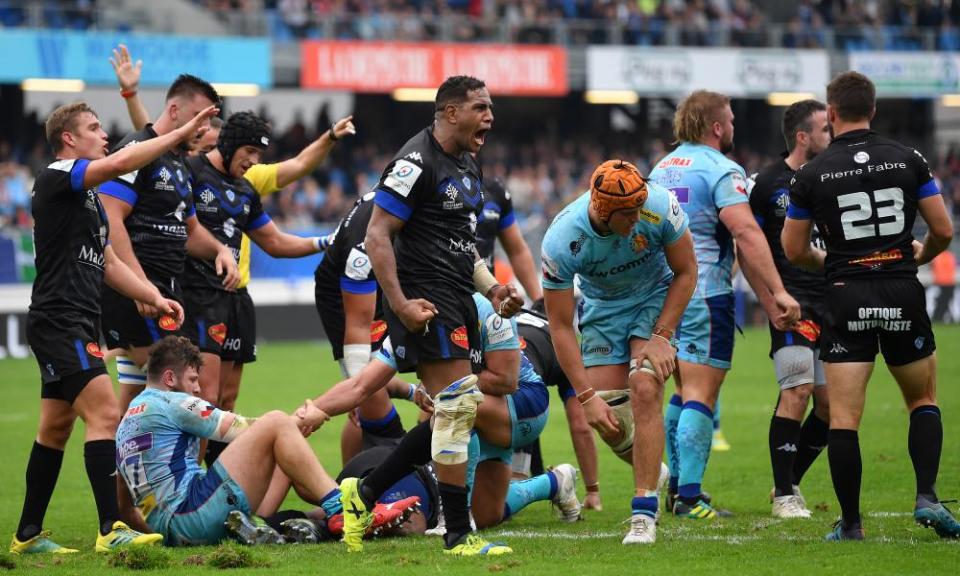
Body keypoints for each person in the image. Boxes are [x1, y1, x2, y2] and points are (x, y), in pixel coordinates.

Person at [110, 44, 356, 427]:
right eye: (200, 129)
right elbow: (151, 146)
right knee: (192, 397)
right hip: (189, 292)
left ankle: (205, 470)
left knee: (222, 397)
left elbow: (284, 208)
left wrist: (329, 140)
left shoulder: (249, 183)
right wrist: (131, 96)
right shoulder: (186, 167)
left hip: (235, 297)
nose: (202, 134)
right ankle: (206, 465)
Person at [11, 101, 212, 554]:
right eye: (94, 127)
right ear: (69, 138)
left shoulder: (89, 201)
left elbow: (110, 263)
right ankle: (110, 528)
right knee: (105, 414)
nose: (104, 134)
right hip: (60, 319)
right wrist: (179, 136)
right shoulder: (57, 175)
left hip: (78, 317)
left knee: (55, 429)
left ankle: (26, 536)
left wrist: (153, 295)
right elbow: (122, 160)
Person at [339, 75, 522, 556]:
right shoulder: (413, 162)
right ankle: (459, 534)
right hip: (425, 300)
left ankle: (364, 493)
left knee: (450, 412)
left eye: (490, 107)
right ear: (449, 112)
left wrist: (495, 288)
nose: (490, 117)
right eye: (480, 107)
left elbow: (466, 250)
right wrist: (399, 304)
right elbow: (377, 236)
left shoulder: (467, 165)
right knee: (460, 406)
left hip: (458, 296)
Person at [783, 71, 959, 541]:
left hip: (847, 292)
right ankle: (927, 496)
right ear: (874, 111)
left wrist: (831, 262)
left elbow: (794, 248)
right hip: (901, 288)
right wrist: (916, 255)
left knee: (843, 418)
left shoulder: (811, 174)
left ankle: (853, 524)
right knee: (922, 399)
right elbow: (942, 229)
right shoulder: (908, 159)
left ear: (832, 114)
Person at [648, 90, 801, 519]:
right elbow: (746, 234)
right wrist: (778, 292)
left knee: (681, 390)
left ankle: (679, 488)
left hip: (665, 296)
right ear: (716, 127)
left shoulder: (663, 167)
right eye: (730, 119)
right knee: (702, 393)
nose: (733, 126)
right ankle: (691, 497)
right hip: (705, 293)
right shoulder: (721, 169)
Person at [541, 159, 698, 544]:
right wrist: (586, 397)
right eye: (626, 215)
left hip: (655, 296)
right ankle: (653, 471)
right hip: (603, 310)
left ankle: (643, 511)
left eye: (638, 209)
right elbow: (560, 327)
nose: (636, 219)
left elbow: (687, 271)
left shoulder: (658, 205)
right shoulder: (562, 239)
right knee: (607, 417)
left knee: (645, 388)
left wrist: (662, 335)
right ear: (602, 210)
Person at [179, 111, 335, 458]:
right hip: (198, 296)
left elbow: (275, 243)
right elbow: (185, 230)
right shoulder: (190, 173)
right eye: (249, 151)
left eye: (259, 155)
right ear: (230, 143)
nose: (253, 161)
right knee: (205, 399)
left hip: (236, 299)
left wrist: (325, 242)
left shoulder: (246, 190)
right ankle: (188, 490)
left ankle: (219, 486)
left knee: (227, 401)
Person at [98, 73, 239, 416]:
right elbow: (110, 217)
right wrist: (140, 286)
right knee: (188, 391)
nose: (205, 128)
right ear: (175, 111)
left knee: (137, 402)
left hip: (166, 292)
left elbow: (190, 230)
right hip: (141, 293)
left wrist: (220, 250)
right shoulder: (137, 151)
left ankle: (121, 470)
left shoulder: (177, 163)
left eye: (209, 120)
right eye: (200, 118)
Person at [115, 336, 342, 546]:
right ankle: (342, 506)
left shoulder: (125, 423)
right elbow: (247, 428)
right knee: (277, 421)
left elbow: (124, 506)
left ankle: (267, 522)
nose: (198, 388)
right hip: (193, 515)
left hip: (173, 531)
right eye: (193, 379)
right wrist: (304, 419)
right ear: (169, 378)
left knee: (283, 449)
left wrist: (160, 538)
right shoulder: (172, 402)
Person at [750, 99, 833, 519]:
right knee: (796, 390)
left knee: (830, 407)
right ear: (803, 136)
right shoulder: (766, 184)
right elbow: (749, 248)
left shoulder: (834, 175)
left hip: (832, 303)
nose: (830, 136)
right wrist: (772, 299)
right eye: (824, 129)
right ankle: (784, 495)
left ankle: (790, 479)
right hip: (791, 305)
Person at [313, 191, 407, 465]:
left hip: (385, 283)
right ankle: (354, 482)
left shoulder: (416, 200)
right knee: (370, 405)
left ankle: (350, 482)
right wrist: (357, 391)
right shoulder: (362, 247)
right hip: (345, 300)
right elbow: (357, 324)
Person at [514, 302, 602, 511]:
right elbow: (581, 426)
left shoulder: (510, 319)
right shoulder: (564, 342)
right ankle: (556, 483)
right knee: (498, 502)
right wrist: (593, 491)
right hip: (520, 400)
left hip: (488, 386)